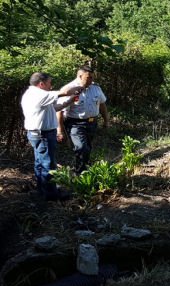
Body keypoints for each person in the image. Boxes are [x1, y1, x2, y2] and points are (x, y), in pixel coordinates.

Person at [21, 72, 82, 201]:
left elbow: (55, 107)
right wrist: (75, 88)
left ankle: (42, 190)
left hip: (38, 134)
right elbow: (63, 92)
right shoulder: (38, 95)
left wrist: (70, 101)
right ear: (41, 84)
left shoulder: (34, 95)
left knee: (40, 163)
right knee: (48, 164)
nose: (51, 85)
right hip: (43, 135)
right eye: (49, 83)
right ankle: (51, 194)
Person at [57, 65, 109, 174]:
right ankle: (80, 173)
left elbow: (102, 105)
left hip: (92, 122)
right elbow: (60, 111)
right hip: (75, 124)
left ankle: (83, 169)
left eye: (92, 78)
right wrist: (60, 130)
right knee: (81, 147)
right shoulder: (69, 89)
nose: (91, 80)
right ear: (80, 76)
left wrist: (106, 120)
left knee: (87, 147)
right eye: (88, 78)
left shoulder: (96, 88)